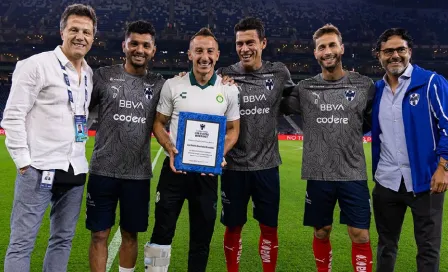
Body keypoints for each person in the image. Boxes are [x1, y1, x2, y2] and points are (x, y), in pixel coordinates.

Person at [1, 4, 97, 272]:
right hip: (38, 167)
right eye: (74, 29)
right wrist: (23, 162)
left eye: (86, 32)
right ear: (62, 31)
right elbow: (12, 116)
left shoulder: (88, 74)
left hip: (74, 168)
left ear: (93, 37)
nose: (80, 36)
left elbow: (81, 116)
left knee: (62, 241)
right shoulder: (36, 65)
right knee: (22, 243)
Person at [144, 27, 240, 272]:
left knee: (201, 238)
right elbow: (158, 123)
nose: (204, 56)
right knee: (161, 232)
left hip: (207, 177)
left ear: (217, 55)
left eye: (209, 51)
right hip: (174, 171)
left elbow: (233, 130)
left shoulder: (228, 90)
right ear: (190, 54)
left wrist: (219, 155)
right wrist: (170, 148)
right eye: (198, 51)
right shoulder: (173, 85)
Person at [281, 24, 375, 272]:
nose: (327, 51)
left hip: (353, 173)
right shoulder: (304, 88)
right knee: (321, 232)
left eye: (332, 45)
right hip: (318, 173)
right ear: (315, 53)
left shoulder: (364, 84)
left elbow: (372, 118)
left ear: (341, 48)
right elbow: (273, 103)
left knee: (361, 235)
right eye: (322, 47)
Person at [216, 17, 295, 272]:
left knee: (269, 226)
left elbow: (294, 100)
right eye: (240, 43)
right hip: (234, 167)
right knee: (233, 226)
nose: (245, 48)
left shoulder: (279, 72)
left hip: (267, 166)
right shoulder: (224, 76)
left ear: (263, 43)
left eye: (250, 42)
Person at [85, 20, 165, 272]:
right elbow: (77, 107)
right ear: (124, 46)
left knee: (131, 235)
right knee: (99, 235)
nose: (139, 49)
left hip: (137, 174)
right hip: (102, 170)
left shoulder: (161, 84)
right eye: (134, 43)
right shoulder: (103, 76)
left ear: (153, 49)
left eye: (145, 45)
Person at [371, 28, 448, 272]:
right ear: (379, 55)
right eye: (388, 51)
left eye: (400, 49)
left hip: (426, 184)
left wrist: (443, 167)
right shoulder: (377, 90)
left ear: (409, 52)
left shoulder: (431, 83)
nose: (395, 55)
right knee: (386, 246)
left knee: (427, 250)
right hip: (386, 182)